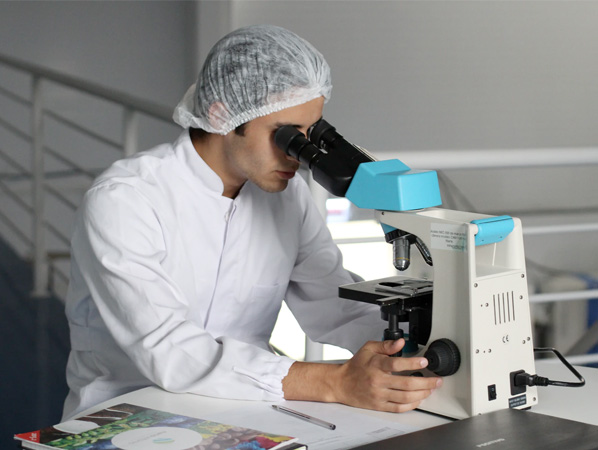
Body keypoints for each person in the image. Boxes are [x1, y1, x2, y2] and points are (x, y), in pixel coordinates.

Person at [62, 24, 441, 421]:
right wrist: (336, 382)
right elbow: (170, 351)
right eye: (287, 136)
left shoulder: (287, 197)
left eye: (311, 133)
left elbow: (334, 305)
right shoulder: (126, 200)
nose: (299, 155)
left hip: (244, 410)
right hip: (127, 414)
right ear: (222, 114)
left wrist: (412, 351)